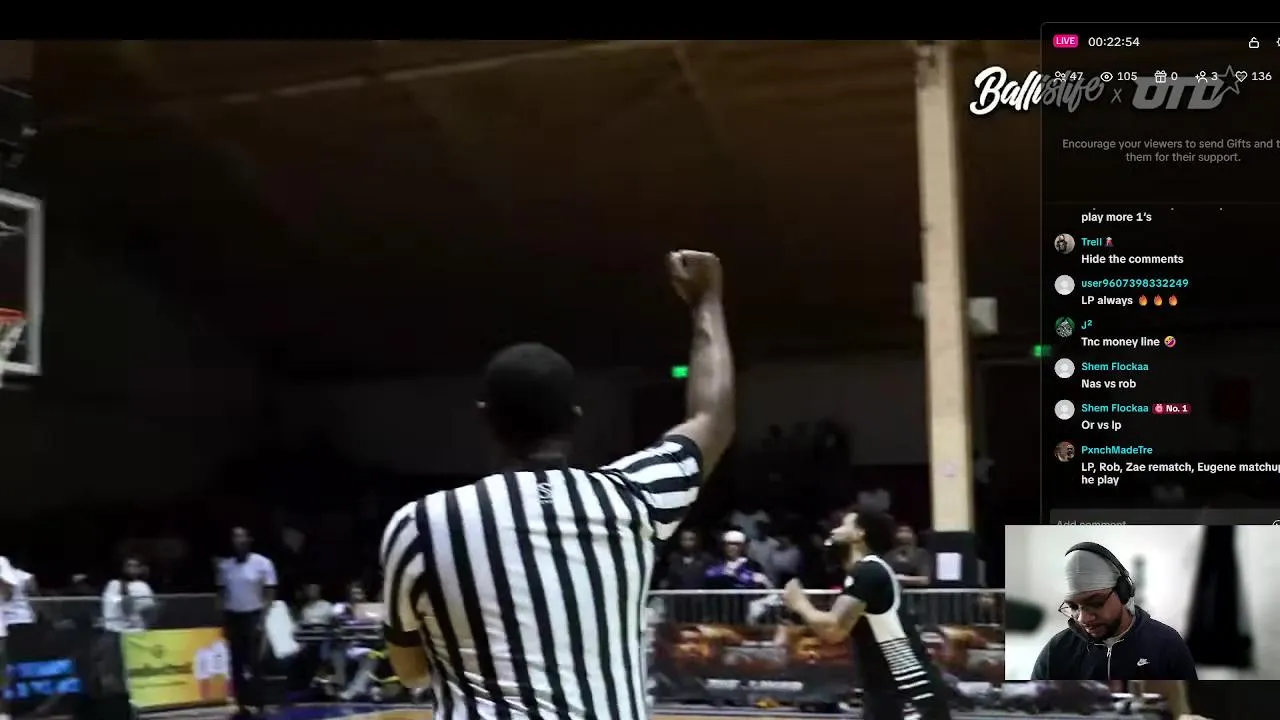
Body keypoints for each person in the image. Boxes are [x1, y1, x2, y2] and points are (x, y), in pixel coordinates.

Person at [380, 249, 734, 720]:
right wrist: (707, 300)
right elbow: (712, 419)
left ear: (487, 420)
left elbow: (409, 671)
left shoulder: (420, 525)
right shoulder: (631, 500)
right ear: (575, 418)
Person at [783, 510, 952, 720]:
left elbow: (833, 630)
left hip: (908, 689)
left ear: (859, 534)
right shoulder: (864, 571)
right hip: (885, 689)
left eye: (843, 525)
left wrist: (799, 603)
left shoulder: (869, 571)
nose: (834, 531)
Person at [1031, 542, 1196, 680]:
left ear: (1123, 591)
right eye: (1073, 607)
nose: (1083, 619)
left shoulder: (1168, 645)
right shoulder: (1056, 650)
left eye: (1095, 603)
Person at [216, 527, 278, 719]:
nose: (238, 540)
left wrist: (263, 618)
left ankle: (259, 703)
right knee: (235, 662)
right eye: (235, 537)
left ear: (249, 540)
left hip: (253, 615)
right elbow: (222, 594)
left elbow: (269, 592)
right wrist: (223, 619)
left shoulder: (263, 563)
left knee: (255, 662)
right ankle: (241, 704)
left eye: (242, 536)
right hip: (233, 616)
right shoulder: (226, 566)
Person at [102, 556, 156, 632]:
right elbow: (124, 605)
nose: (132, 569)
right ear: (123, 568)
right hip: (116, 629)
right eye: (129, 566)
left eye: (135, 566)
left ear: (141, 569)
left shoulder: (143, 585)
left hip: (137, 629)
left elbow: (149, 609)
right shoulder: (114, 584)